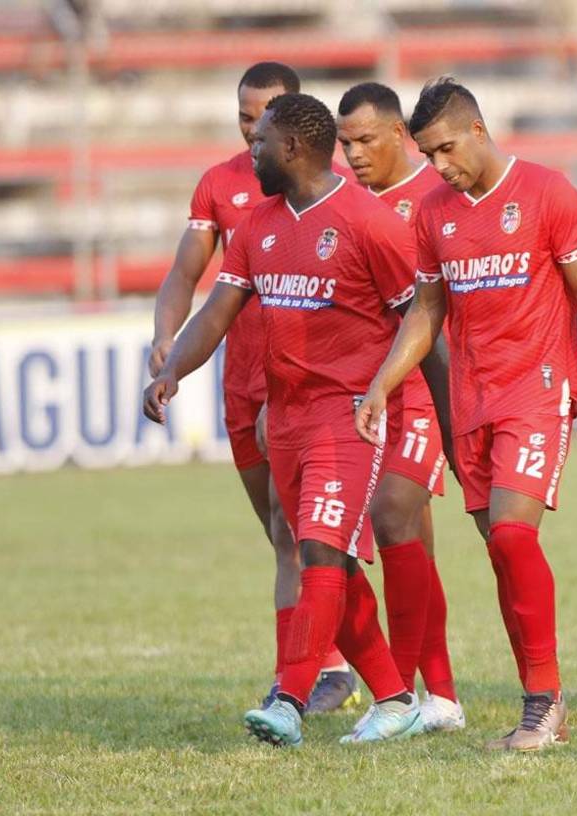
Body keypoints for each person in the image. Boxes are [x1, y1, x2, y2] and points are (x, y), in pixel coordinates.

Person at [145, 93, 446, 746]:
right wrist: (172, 371)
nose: (249, 151)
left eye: (262, 142)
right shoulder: (258, 226)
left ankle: (289, 697)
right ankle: (395, 698)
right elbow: (219, 312)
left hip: (349, 420)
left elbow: (421, 324)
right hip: (285, 420)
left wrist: (441, 416)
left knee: (317, 550)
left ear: (294, 149)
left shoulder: (369, 223)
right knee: (328, 562)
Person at [354, 77, 577, 752]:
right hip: (470, 401)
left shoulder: (547, 192)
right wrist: (385, 382)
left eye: (445, 149)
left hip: (539, 390)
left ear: (477, 130)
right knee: (500, 554)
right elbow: (428, 309)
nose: (439, 166)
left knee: (511, 536)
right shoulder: (434, 213)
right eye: (428, 154)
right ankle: (544, 697)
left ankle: (542, 701)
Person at [148, 62, 357, 713]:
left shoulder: (333, 191)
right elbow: (190, 279)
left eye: (260, 119)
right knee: (281, 534)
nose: (249, 132)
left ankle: (303, 677)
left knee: (299, 532)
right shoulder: (221, 186)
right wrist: (166, 342)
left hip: (311, 389)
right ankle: (330, 664)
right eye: (242, 117)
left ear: (293, 123)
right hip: (244, 383)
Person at [335, 81, 464, 733]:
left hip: (426, 387)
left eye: (363, 141)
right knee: (408, 538)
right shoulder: (342, 203)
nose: (353, 154)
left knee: (393, 516)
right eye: (343, 142)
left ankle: (404, 695)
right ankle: (439, 696)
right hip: (362, 396)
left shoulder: (437, 198)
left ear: (397, 137)